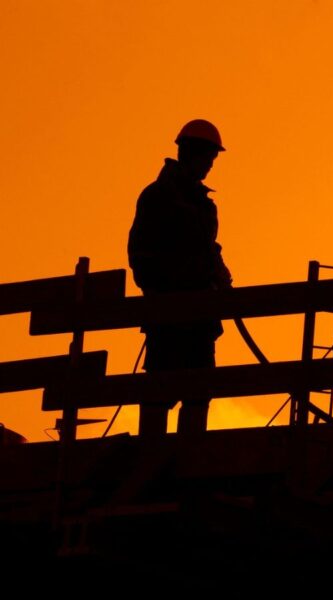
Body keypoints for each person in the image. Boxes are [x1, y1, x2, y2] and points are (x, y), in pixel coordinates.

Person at [127, 119, 232, 436]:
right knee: (160, 391)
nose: (210, 166)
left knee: (199, 390)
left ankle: (190, 454)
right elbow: (142, 256)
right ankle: (153, 453)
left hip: (200, 319)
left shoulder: (202, 204)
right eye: (207, 158)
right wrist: (171, 290)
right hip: (169, 317)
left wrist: (218, 272)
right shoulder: (159, 197)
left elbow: (205, 248)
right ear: (192, 154)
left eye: (213, 160)